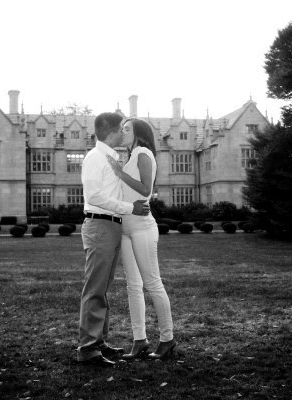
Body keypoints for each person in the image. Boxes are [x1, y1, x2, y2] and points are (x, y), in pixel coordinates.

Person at [77, 112, 150, 367]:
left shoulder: (109, 156)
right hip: (100, 225)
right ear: (111, 130)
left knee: (102, 288)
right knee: (95, 288)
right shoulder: (95, 158)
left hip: (111, 225)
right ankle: (88, 348)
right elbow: (95, 196)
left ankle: (98, 342)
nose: (124, 132)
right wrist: (131, 209)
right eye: (121, 128)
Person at [105, 118, 176, 360]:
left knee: (152, 283)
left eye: (127, 129)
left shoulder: (144, 152)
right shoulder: (131, 155)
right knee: (133, 287)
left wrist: (117, 172)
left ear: (139, 133)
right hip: (126, 227)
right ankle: (140, 340)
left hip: (143, 228)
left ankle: (167, 340)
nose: (122, 132)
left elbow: (146, 189)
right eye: (122, 129)